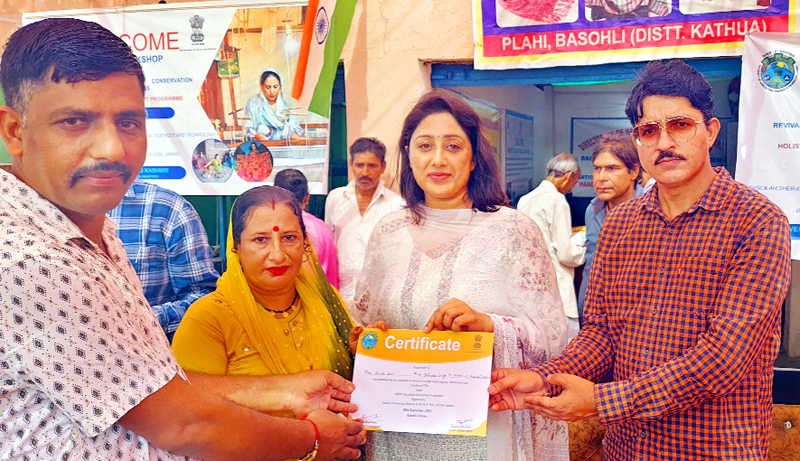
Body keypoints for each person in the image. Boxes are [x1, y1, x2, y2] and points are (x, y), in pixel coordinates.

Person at [0, 18, 364, 460]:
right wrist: (312, 440)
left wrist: (282, 392)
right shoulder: (32, 259)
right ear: (14, 132)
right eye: (76, 121)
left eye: (129, 121)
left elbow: (148, 381)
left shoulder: (88, 224)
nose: (112, 149)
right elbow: (184, 423)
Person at [489, 60, 791, 461]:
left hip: (714, 448)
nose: (664, 143)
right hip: (627, 448)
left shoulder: (758, 221)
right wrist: (543, 379)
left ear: (711, 131)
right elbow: (600, 335)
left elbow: (724, 357)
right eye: (649, 131)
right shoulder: (621, 224)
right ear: (639, 142)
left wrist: (601, 400)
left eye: (681, 125)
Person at [350, 92, 569, 460]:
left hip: (483, 435)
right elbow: (365, 319)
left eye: (453, 146)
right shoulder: (387, 232)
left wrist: (488, 326)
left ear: (473, 157)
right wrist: (365, 339)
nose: (437, 159)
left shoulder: (513, 231)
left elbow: (552, 338)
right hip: (399, 431)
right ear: (408, 155)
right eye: (424, 146)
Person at [172, 185, 353, 383]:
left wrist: (362, 353)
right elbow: (192, 407)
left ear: (305, 243)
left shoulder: (326, 299)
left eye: (289, 238)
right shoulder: (207, 319)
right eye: (260, 239)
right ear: (236, 247)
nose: (277, 255)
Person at [108, 179, 220, 341]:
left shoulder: (168, 209)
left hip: (146, 354)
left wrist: (142, 320)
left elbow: (202, 295)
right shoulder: (58, 211)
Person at [325, 137, 405, 301]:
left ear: (383, 167)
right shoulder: (335, 199)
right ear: (351, 164)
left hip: (378, 296)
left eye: (372, 166)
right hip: (339, 294)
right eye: (360, 165)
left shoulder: (397, 205)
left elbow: (398, 257)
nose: (365, 173)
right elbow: (329, 246)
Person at [517, 153, 586, 343]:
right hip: (558, 290)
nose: (573, 187)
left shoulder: (525, 199)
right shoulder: (556, 200)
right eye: (575, 181)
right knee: (564, 352)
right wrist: (583, 250)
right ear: (568, 176)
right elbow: (566, 254)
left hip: (531, 288)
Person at [577, 131, 643, 321]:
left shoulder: (651, 212)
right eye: (597, 169)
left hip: (634, 320)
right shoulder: (593, 210)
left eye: (612, 168)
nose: (601, 178)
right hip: (594, 317)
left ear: (634, 172)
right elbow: (591, 266)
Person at [275, 168, 340, 288]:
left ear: (273, 198)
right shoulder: (322, 229)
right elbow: (331, 278)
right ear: (307, 198)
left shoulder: (264, 228)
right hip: (320, 301)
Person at [244, 67, 303, 141]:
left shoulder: (287, 108)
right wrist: (257, 136)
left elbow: (296, 130)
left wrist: (296, 136)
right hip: (262, 149)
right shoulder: (253, 104)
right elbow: (248, 129)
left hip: (284, 150)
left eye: (275, 87)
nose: (272, 91)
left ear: (280, 86)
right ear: (262, 86)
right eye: (268, 87)